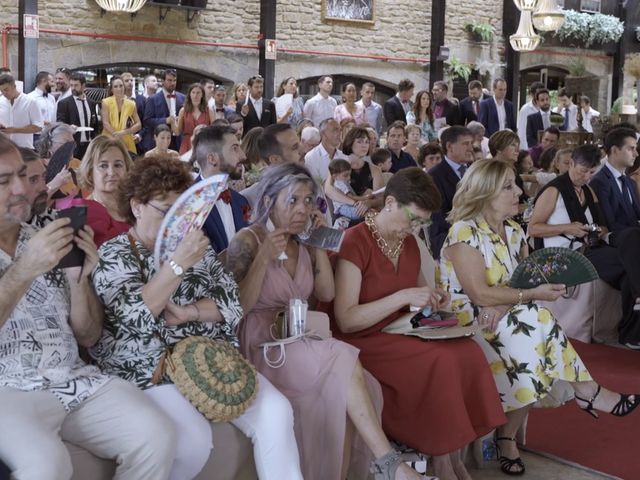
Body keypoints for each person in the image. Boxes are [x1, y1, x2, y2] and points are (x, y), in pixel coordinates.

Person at [89, 155, 305, 480]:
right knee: (192, 441)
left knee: (276, 412)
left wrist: (188, 311)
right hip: (150, 367)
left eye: (184, 212)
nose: (178, 222)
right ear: (136, 206)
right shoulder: (115, 253)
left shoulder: (197, 249)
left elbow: (231, 303)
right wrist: (175, 266)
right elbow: (131, 318)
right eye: (167, 211)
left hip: (211, 360)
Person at [439, 158, 640, 476]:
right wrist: (524, 297)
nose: (519, 190)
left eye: (514, 183)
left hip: (508, 315)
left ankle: (511, 435)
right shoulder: (465, 232)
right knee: (537, 323)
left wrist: (522, 297)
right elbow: (479, 295)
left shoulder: (515, 231)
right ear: (485, 193)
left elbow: (527, 279)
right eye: (508, 186)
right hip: (470, 321)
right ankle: (586, 392)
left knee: (534, 329)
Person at [226, 163, 425, 480]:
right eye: (293, 201)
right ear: (269, 202)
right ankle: (390, 463)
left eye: (308, 201)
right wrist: (263, 258)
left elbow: (326, 293)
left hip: (299, 340)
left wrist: (318, 244)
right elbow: (234, 309)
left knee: (354, 388)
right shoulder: (247, 240)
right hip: (263, 347)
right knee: (342, 356)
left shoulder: (300, 242)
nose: (302, 209)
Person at [0, 136, 176, 480]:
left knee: (157, 434)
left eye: (23, 174)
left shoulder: (47, 234)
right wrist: (24, 269)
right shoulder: (39, 247)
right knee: (46, 465)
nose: (22, 188)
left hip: (71, 379)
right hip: (8, 388)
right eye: (4, 181)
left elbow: (89, 334)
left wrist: (79, 281)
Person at [330, 167, 506, 480]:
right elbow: (346, 319)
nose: (416, 228)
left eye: (423, 222)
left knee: (467, 350)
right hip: (362, 341)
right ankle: (441, 457)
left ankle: (451, 454)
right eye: (413, 219)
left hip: (399, 333)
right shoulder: (354, 241)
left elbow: (418, 297)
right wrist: (403, 297)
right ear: (390, 203)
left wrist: (434, 300)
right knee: (441, 360)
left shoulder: (408, 243)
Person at [195, 125, 252, 253]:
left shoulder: (241, 201)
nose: (243, 156)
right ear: (212, 159)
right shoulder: (188, 206)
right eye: (235, 149)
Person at [75, 135, 133, 247]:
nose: (111, 172)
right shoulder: (80, 214)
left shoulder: (138, 206)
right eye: (103, 166)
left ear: (127, 169)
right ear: (90, 172)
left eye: (118, 165)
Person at [428, 126, 474, 259]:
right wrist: (468, 228)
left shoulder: (474, 171)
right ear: (449, 146)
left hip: (477, 232)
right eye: (465, 144)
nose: (470, 148)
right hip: (447, 236)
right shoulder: (434, 176)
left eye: (471, 143)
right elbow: (438, 217)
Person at [56, 72, 98, 159]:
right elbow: (59, 124)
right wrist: (69, 127)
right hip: (73, 145)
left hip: (90, 145)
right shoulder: (64, 103)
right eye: (71, 85)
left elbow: (95, 124)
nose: (73, 88)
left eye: (76, 85)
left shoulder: (92, 103)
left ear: (83, 86)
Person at [142, 69, 185, 152]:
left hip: (179, 141)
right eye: (169, 80)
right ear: (162, 81)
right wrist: (166, 120)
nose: (172, 83)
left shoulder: (183, 98)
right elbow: (147, 120)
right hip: (160, 141)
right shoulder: (152, 99)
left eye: (174, 80)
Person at [0, 73, 43, 149]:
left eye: (6, 90)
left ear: (14, 86)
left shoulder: (30, 102)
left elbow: (39, 127)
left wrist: (15, 130)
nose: (4, 93)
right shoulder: (0, 101)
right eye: (1, 91)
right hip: (3, 150)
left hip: (24, 149)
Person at [101, 75, 141, 155]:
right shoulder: (106, 102)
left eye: (121, 86)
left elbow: (139, 124)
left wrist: (124, 132)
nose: (119, 89)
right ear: (112, 89)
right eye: (115, 86)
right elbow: (105, 123)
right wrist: (118, 137)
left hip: (127, 139)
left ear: (124, 87)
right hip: (109, 139)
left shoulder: (131, 104)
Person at [176, 83, 211, 155]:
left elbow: (213, 131)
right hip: (186, 143)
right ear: (189, 94)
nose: (195, 95)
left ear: (202, 95)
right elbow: (178, 131)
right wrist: (173, 123)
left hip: (203, 143)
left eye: (198, 93)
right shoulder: (183, 110)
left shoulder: (209, 111)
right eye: (193, 92)